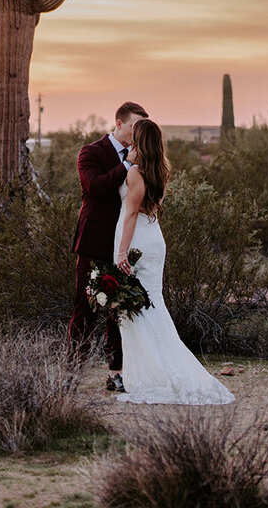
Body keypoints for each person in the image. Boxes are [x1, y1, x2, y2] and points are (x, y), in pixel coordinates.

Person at [114, 118, 236, 405]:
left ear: (140, 142)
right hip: (155, 239)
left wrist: (121, 252)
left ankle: (157, 374)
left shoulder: (134, 174)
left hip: (138, 243)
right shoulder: (159, 171)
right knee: (152, 306)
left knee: (138, 309)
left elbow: (131, 214)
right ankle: (156, 369)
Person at [68, 102, 149, 392]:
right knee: (84, 309)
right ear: (119, 123)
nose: (137, 132)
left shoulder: (143, 158)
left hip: (125, 244)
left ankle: (116, 373)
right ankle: (72, 372)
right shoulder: (90, 152)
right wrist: (127, 164)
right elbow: (96, 186)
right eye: (134, 126)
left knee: (119, 312)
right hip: (94, 241)